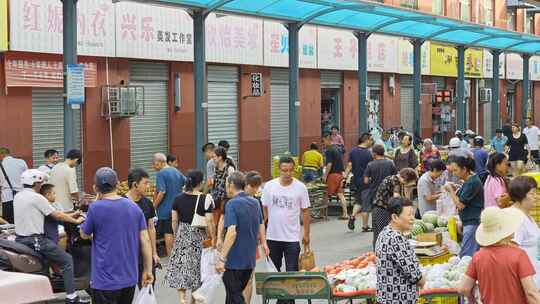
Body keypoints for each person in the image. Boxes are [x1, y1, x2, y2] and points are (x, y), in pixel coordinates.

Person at [80, 167, 153, 304]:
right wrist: (148, 269)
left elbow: (84, 234)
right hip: (129, 278)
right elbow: (145, 240)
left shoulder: (95, 208)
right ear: (118, 184)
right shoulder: (134, 207)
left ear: (95, 188)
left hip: (104, 280)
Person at [14, 169, 86, 304]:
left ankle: (45, 294)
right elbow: (56, 215)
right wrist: (76, 221)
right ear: (36, 183)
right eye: (40, 183)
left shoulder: (18, 196)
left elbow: (54, 213)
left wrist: (72, 215)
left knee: (45, 264)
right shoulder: (37, 197)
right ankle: (71, 297)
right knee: (67, 260)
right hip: (36, 240)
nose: (41, 185)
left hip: (21, 239)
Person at [458, 207, 540, 304]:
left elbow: (463, 288)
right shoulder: (518, 255)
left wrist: (474, 299)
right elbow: (531, 293)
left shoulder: (478, 257)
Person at [262, 156, 310, 304]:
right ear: (279, 170)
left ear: (294, 170)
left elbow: (306, 211)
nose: (288, 173)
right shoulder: (269, 186)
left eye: (291, 170)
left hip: (292, 238)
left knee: (291, 274)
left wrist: (306, 234)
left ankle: (286, 302)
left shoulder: (300, 187)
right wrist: (263, 232)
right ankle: (282, 301)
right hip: (272, 237)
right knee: (274, 275)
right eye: (284, 170)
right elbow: (264, 208)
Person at [217, 172, 268, 304]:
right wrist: (264, 242)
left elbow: (232, 232)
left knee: (235, 294)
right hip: (249, 260)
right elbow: (261, 224)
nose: (226, 189)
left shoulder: (232, 204)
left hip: (235, 260)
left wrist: (222, 258)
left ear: (231, 185)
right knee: (232, 297)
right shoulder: (255, 202)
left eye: (226, 185)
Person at [165, 170, 216, 304]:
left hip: (183, 232)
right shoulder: (205, 198)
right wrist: (213, 237)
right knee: (197, 269)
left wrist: (176, 234)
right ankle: (193, 299)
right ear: (200, 183)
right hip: (198, 235)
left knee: (181, 267)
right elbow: (210, 221)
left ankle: (182, 298)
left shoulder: (177, 198)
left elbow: (174, 220)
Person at [376, 197, 425, 304]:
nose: (413, 218)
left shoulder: (384, 233)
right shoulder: (396, 239)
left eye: (413, 214)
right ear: (395, 217)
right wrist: (423, 281)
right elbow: (414, 275)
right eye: (409, 215)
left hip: (387, 298)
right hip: (398, 299)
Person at [443, 155, 484, 257]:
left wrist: (451, 190)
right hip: (470, 222)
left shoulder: (471, 183)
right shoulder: (469, 181)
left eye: (455, 170)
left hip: (472, 222)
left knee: (466, 256)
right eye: (452, 171)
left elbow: (460, 205)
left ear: (464, 169)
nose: (454, 174)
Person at [125, 168, 159, 287]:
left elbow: (151, 228)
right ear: (135, 184)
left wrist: (154, 253)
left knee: (148, 288)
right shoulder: (121, 203)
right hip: (127, 254)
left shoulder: (148, 203)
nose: (148, 186)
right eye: (145, 183)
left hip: (145, 253)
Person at [370, 167, 417, 249]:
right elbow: (397, 198)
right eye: (408, 182)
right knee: (384, 234)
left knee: (378, 234)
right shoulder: (395, 181)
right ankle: (382, 253)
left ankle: (377, 254)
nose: (408, 184)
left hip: (376, 208)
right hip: (382, 210)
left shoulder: (392, 178)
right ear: (404, 178)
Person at [153, 152, 186, 256]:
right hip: (178, 208)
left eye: (154, 163)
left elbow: (162, 191)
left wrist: (154, 205)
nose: (153, 166)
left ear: (159, 162)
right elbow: (186, 182)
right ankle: (178, 257)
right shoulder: (175, 170)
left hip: (166, 210)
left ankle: (171, 258)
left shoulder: (161, 174)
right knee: (176, 232)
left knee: (168, 233)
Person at [510, 176, 540, 288]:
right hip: (526, 284)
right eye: (532, 194)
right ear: (521, 195)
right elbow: (512, 252)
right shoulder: (515, 217)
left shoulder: (527, 215)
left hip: (534, 280)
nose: (536, 197)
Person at [363, 144, 397, 234]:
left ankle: (378, 237)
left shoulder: (370, 165)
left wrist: (372, 179)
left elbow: (366, 180)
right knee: (389, 218)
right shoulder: (390, 163)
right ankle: (388, 234)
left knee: (376, 220)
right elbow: (395, 178)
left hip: (375, 195)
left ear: (374, 153)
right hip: (389, 195)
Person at [242, 171, 264, 304]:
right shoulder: (235, 200)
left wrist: (263, 241)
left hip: (251, 244)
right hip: (236, 244)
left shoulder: (257, 202)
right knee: (237, 279)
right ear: (247, 185)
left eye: (257, 187)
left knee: (249, 278)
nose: (256, 190)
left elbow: (261, 223)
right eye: (254, 187)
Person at [344, 133, 373, 231]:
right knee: (366, 205)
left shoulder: (353, 151)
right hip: (366, 181)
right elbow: (371, 168)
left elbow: (349, 165)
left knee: (358, 200)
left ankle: (352, 216)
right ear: (366, 140)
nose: (371, 142)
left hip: (356, 180)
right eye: (370, 140)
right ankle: (365, 226)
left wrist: (345, 176)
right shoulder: (368, 153)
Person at [212, 147, 236, 250]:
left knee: (223, 219)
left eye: (214, 156)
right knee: (215, 219)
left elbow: (231, 185)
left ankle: (223, 240)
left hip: (226, 198)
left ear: (220, 157)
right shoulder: (216, 167)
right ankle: (218, 240)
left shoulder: (230, 168)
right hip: (216, 197)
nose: (212, 158)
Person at [322, 132, 348, 219]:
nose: (323, 143)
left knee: (325, 194)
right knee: (341, 195)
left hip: (333, 175)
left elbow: (329, 164)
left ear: (327, 139)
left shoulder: (329, 150)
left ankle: (322, 213)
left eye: (323, 141)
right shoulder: (337, 149)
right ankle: (345, 214)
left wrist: (325, 176)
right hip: (340, 175)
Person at [0, 147, 28, 224]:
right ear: (9, 153)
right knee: (23, 219)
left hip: (7, 198)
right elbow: (27, 177)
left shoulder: (1, 165)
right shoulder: (21, 162)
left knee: (9, 222)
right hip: (22, 195)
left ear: (1, 155)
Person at [41, 184, 72, 250]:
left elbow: (63, 215)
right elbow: (60, 216)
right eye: (54, 193)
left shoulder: (56, 204)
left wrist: (74, 214)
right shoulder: (46, 207)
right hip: (51, 234)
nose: (56, 195)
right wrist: (76, 220)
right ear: (48, 195)